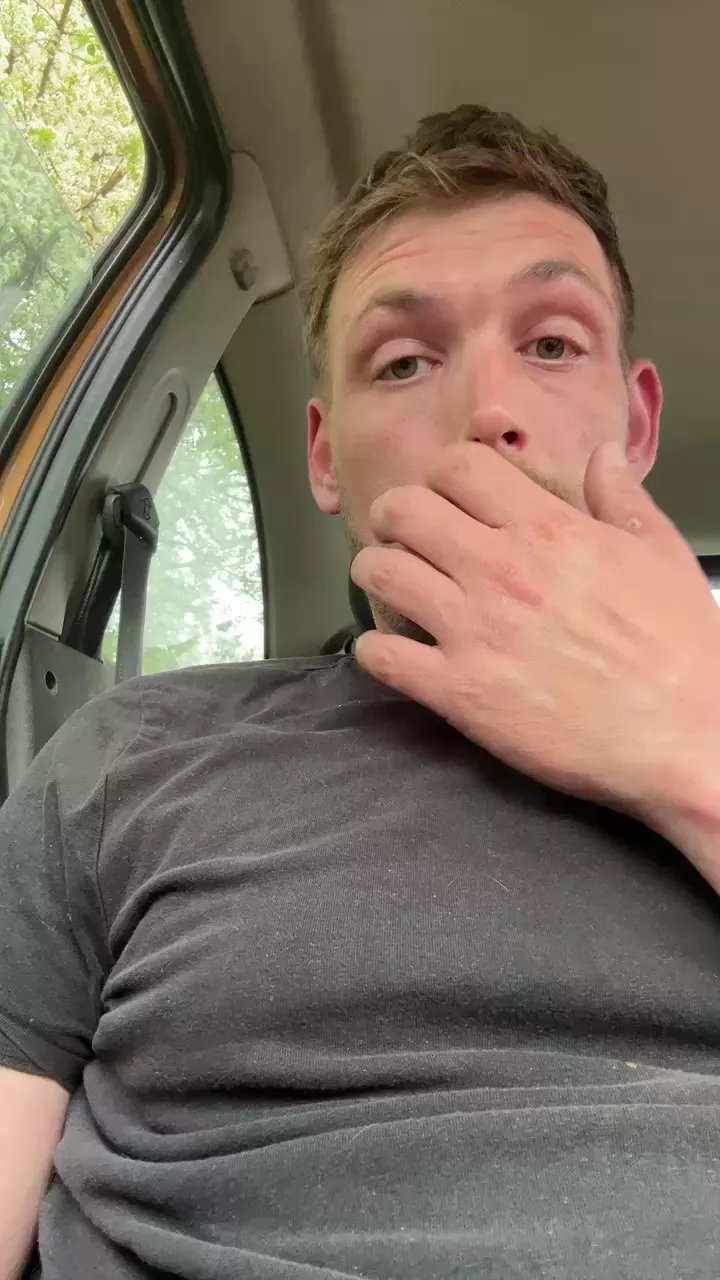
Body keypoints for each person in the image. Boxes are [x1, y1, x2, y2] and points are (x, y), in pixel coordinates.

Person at [2, 104, 720, 1280]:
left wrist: (697, 742)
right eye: (403, 361)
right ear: (327, 456)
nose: (487, 412)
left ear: (635, 424)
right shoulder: (132, 753)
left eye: (551, 344)